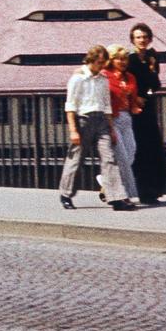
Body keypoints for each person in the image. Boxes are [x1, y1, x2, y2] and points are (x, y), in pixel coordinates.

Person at [59, 46, 134, 211]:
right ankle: (65, 194)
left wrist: (111, 129)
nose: (101, 66)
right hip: (83, 120)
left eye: (103, 63)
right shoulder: (78, 78)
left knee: (109, 159)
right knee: (76, 159)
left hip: (102, 121)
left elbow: (107, 105)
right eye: (99, 63)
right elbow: (70, 105)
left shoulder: (103, 79)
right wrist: (73, 130)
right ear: (90, 60)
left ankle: (116, 198)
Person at [126, 23, 166, 205]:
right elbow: (125, 83)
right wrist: (136, 98)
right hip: (134, 108)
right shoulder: (130, 59)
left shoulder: (152, 57)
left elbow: (155, 85)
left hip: (148, 106)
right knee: (139, 149)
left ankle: (152, 191)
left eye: (144, 37)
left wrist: (147, 95)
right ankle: (141, 190)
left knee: (153, 148)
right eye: (138, 37)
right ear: (133, 40)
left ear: (150, 39)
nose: (142, 40)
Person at [103, 44, 142, 203]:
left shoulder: (130, 77)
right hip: (112, 119)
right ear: (111, 60)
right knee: (123, 158)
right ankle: (125, 195)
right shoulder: (105, 75)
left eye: (124, 58)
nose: (122, 61)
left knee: (131, 152)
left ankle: (107, 183)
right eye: (118, 59)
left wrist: (136, 105)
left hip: (127, 118)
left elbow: (132, 98)